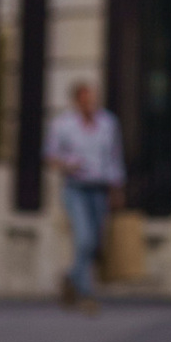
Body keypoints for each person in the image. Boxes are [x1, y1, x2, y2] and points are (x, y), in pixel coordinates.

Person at [44, 78, 124, 310]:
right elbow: (50, 156)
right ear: (77, 101)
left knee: (96, 242)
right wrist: (68, 164)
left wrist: (117, 188)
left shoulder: (108, 122)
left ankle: (71, 277)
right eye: (85, 99)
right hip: (76, 188)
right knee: (84, 238)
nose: (90, 104)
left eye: (92, 99)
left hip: (100, 188)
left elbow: (114, 156)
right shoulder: (63, 124)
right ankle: (86, 293)